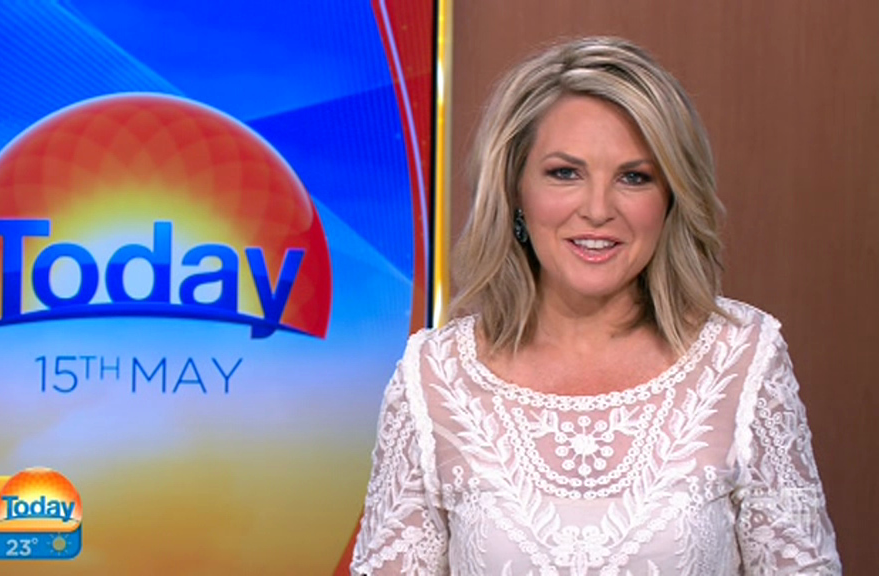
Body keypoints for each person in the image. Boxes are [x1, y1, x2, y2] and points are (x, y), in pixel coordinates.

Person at [350, 37, 841, 575]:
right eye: (566, 173)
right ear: (515, 191)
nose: (598, 209)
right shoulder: (433, 376)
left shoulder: (743, 357)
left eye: (634, 177)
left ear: (671, 198)